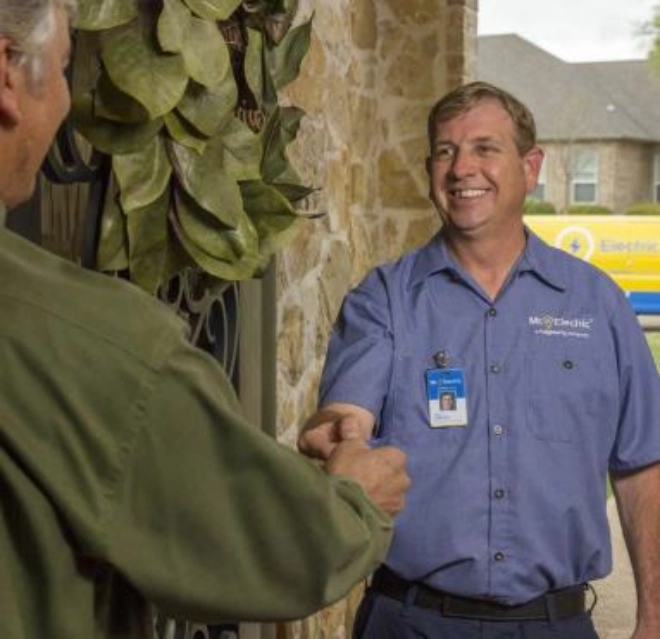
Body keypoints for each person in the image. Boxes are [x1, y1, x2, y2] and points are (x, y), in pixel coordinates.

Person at [0, 2, 411, 637]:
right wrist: (356, 503)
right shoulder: (96, 341)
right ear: (6, 75)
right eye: (61, 72)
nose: (64, 106)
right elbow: (277, 546)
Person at [299, 81, 660, 639]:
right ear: (429, 169)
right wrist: (337, 438)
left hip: (555, 625)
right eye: (446, 151)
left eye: (485, 148)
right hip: (410, 621)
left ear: (530, 166)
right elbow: (345, 417)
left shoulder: (599, 305)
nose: (462, 168)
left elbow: (642, 466)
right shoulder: (384, 300)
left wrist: (653, 618)